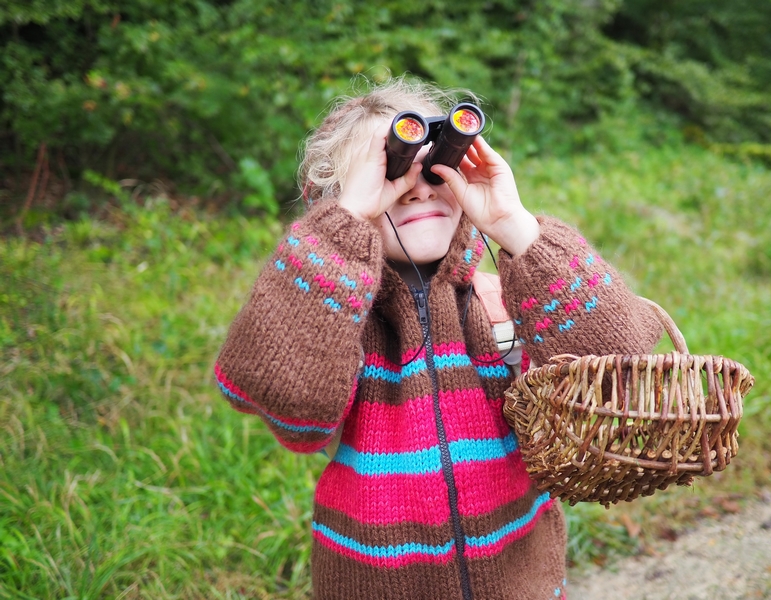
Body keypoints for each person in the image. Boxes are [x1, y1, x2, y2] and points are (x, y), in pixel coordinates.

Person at [215, 78, 662, 600]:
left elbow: (624, 367)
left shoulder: (509, 300)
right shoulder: (328, 321)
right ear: (338, 200)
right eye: (390, 173)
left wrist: (514, 226)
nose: (419, 188)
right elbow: (295, 417)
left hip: (523, 582)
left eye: (434, 168)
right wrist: (343, 227)